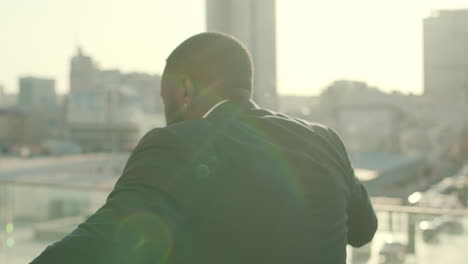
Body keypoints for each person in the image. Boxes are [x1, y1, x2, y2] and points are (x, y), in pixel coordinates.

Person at [31, 32, 377, 264]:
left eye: (164, 100)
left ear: (184, 90)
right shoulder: (324, 140)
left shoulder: (176, 145)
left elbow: (95, 246)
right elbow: (364, 231)